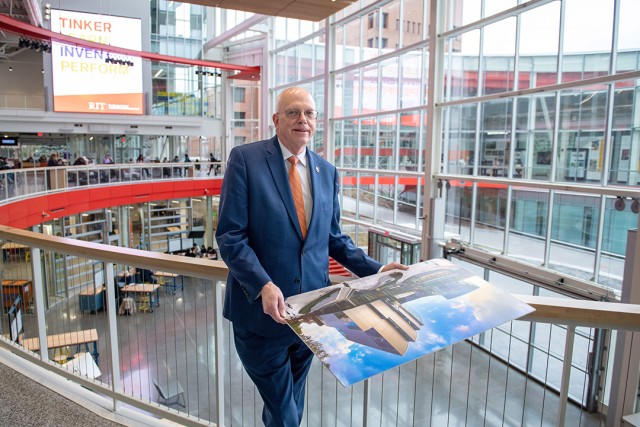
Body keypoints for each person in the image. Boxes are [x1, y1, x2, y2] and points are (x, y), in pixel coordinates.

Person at [216, 87, 406, 427]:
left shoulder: (327, 172)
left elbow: (333, 238)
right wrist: (263, 285)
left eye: (309, 113)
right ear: (276, 120)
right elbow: (231, 235)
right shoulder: (246, 159)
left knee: (288, 405)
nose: (302, 119)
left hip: (309, 318)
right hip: (261, 317)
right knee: (285, 410)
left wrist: (377, 269)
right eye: (293, 112)